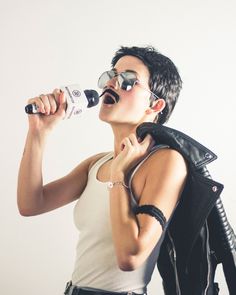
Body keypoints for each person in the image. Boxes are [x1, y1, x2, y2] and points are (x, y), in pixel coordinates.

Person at [17, 46, 188, 295]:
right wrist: (38, 133)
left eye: (128, 80)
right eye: (110, 76)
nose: (111, 84)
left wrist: (119, 175)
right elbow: (31, 204)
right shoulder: (97, 163)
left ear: (155, 104)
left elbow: (130, 256)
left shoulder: (167, 161)